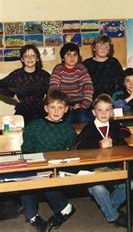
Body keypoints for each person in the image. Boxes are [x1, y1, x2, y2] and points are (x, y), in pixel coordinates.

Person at [20, 90, 77, 232]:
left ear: (66, 109)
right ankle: (33, 216)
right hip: (34, 164)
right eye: (52, 107)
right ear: (46, 108)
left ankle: (64, 208)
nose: (56, 111)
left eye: (60, 107)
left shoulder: (68, 130)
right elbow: (26, 149)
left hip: (57, 167)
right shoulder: (34, 126)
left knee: (48, 178)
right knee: (26, 179)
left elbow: (70, 152)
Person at [75, 94, 131, 228]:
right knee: (98, 189)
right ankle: (114, 216)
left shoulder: (114, 125)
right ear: (94, 112)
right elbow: (78, 146)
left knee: (130, 184)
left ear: (111, 112)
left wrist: (113, 141)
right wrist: (99, 144)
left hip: (113, 167)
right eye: (100, 110)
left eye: (107, 110)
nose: (104, 113)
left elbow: (126, 132)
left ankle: (110, 209)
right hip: (94, 169)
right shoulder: (89, 128)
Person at [0, 44, 50, 124]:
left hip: (41, 114)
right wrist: (12, 94)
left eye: (33, 55)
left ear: (37, 58)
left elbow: (54, 90)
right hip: (22, 114)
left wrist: (47, 96)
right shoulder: (16, 75)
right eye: (26, 56)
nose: (30, 58)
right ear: (22, 59)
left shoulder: (44, 75)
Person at [49, 43, 94, 123]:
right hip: (63, 104)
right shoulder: (58, 69)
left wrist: (83, 105)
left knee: (84, 117)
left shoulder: (81, 68)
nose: (72, 57)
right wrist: (66, 106)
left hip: (81, 103)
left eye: (75, 54)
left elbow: (88, 88)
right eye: (68, 54)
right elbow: (53, 90)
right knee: (68, 119)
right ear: (63, 58)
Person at [83, 35, 124, 99]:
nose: (103, 48)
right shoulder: (87, 64)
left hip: (112, 98)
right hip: (92, 99)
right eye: (100, 46)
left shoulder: (114, 62)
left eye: (106, 46)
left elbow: (121, 81)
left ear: (109, 49)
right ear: (93, 48)